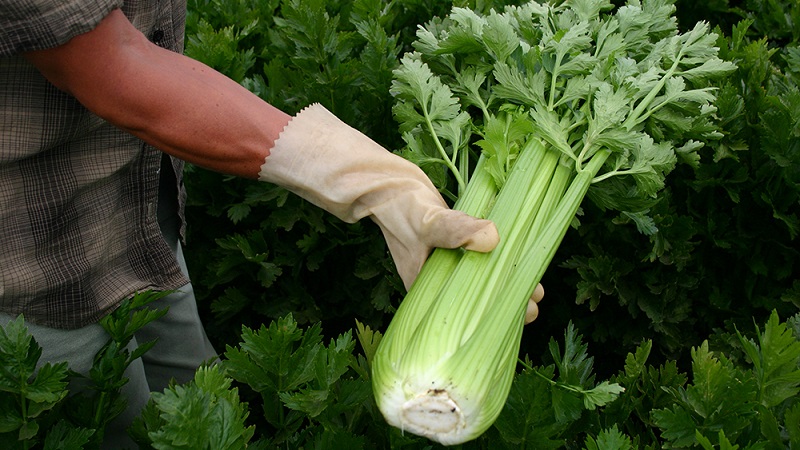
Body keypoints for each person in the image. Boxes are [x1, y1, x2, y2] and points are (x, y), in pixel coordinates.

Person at [1, 1, 542, 447]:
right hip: (28, 257)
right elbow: (109, 64)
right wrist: (374, 185)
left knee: (197, 406)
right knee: (111, 428)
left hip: (138, 210)